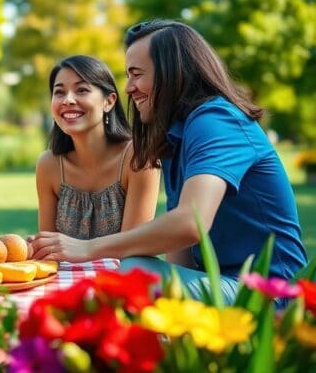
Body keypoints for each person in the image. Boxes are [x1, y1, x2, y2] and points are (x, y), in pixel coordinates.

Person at [30, 20, 307, 303]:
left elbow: (190, 222)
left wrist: (87, 248)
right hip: (221, 284)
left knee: (132, 273)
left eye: (136, 74)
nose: (129, 88)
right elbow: (180, 251)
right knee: (137, 270)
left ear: (172, 72)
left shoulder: (218, 121)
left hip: (271, 295)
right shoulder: (177, 136)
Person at [34, 55, 160, 241]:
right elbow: (49, 253)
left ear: (109, 101)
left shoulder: (139, 157)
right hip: (66, 271)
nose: (67, 100)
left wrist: (81, 251)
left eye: (82, 90)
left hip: (125, 270)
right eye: (59, 92)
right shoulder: (49, 165)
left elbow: (134, 247)